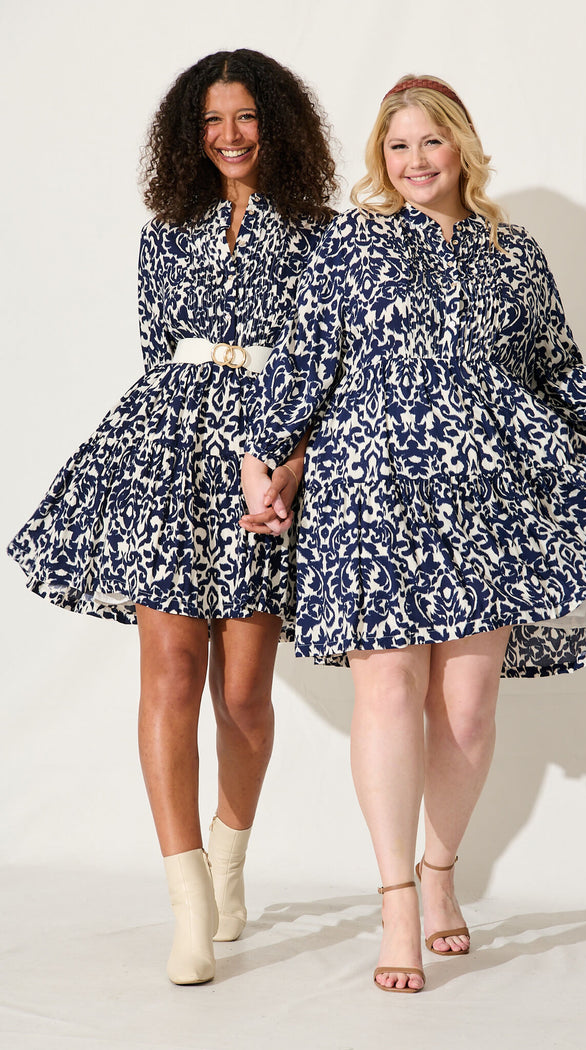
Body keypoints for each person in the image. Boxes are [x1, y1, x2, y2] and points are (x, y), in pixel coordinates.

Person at [240, 75, 586, 994]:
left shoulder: (513, 252)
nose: (415, 160)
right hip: (371, 493)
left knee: (467, 708)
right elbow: (301, 368)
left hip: (488, 498)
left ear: (462, 147)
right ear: (382, 157)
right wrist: (263, 458)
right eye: (397, 145)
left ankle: (439, 871)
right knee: (388, 692)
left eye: (431, 141)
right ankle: (396, 902)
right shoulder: (349, 244)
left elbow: (557, 376)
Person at [7, 49, 336, 985]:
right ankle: (188, 904)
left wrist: (288, 465)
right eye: (210, 121)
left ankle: (230, 860)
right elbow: (159, 353)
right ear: (189, 135)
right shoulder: (166, 232)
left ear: (276, 122)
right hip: (167, 455)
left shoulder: (322, 235)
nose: (228, 136)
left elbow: (328, 367)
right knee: (170, 673)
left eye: (245, 116)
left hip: (264, 463)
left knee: (243, 694)